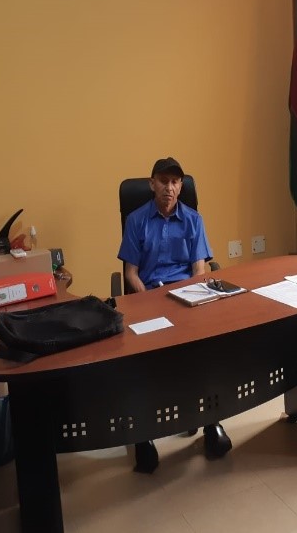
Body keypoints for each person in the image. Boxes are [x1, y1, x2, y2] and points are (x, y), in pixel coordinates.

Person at [117, 157, 232, 472]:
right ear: (152, 184)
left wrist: (192, 298)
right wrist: (148, 301)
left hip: (185, 297)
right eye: (163, 181)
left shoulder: (194, 220)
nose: (169, 188)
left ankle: (211, 422)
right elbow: (130, 273)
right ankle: (144, 435)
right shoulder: (137, 220)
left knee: (205, 350)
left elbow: (199, 269)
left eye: (175, 182)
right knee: (146, 361)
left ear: (181, 187)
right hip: (148, 297)